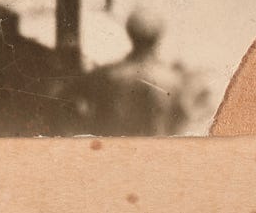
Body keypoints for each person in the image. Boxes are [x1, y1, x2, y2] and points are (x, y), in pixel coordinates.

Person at [65, 9, 206, 136]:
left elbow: (71, 108)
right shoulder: (176, 83)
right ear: (158, 37)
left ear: (129, 32)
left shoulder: (105, 76)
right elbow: (182, 127)